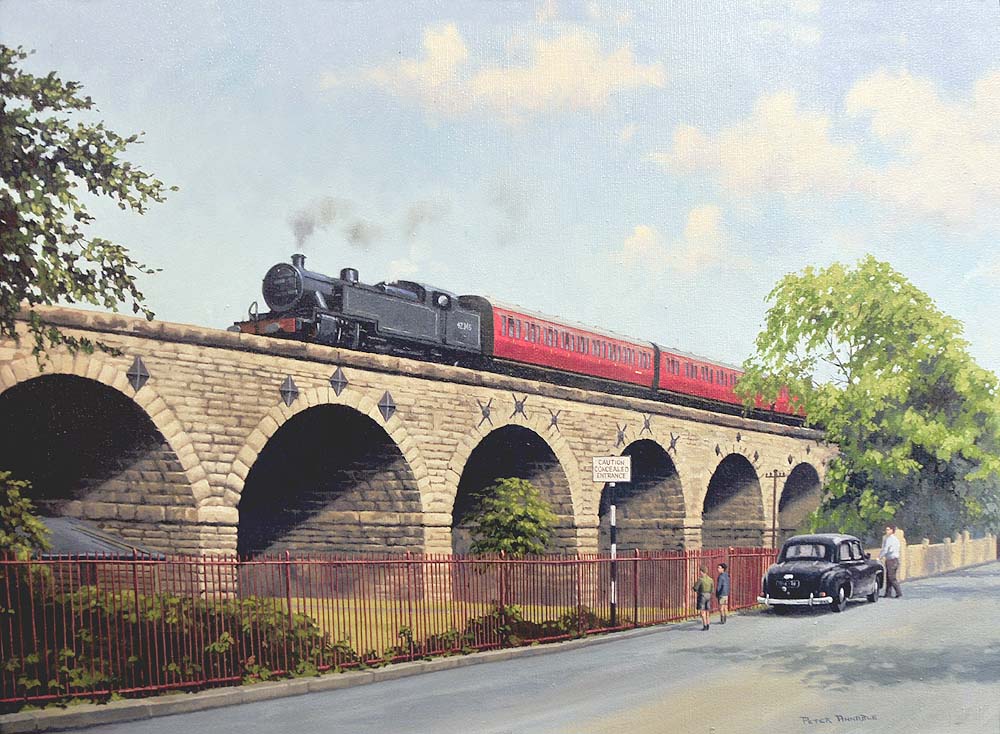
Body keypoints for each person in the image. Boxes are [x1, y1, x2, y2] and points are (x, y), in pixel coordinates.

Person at [879, 524, 902, 598]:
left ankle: (899, 593)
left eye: (888, 529)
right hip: (895, 560)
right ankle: (888, 593)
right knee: (889, 577)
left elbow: (886, 550)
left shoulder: (889, 539)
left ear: (892, 530)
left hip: (891, 560)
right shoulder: (895, 539)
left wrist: (879, 557)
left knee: (891, 578)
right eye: (886, 530)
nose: (886, 531)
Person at [693, 566, 713, 630]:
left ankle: (704, 625)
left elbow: (695, 588)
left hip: (702, 595)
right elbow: (712, 589)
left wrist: (695, 589)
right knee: (707, 611)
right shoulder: (711, 579)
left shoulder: (700, 579)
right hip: (709, 595)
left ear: (701, 572)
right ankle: (708, 624)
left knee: (702, 611)